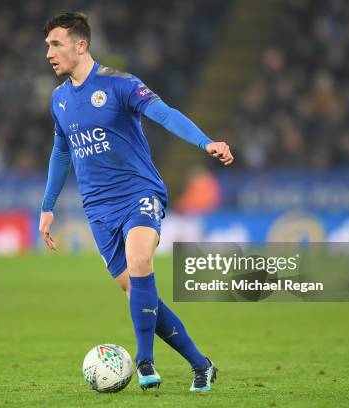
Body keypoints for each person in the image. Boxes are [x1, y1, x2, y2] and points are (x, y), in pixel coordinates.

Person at [39, 12, 233, 392]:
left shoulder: (119, 84)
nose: (49, 52)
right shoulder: (59, 100)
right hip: (97, 209)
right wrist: (47, 207)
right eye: (47, 45)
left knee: (140, 260)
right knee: (137, 291)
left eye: (56, 44)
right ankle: (201, 364)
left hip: (138, 193)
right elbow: (61, 152)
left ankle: (145, 362)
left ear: (81, 46)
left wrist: (205, 141)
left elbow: (163, 113)